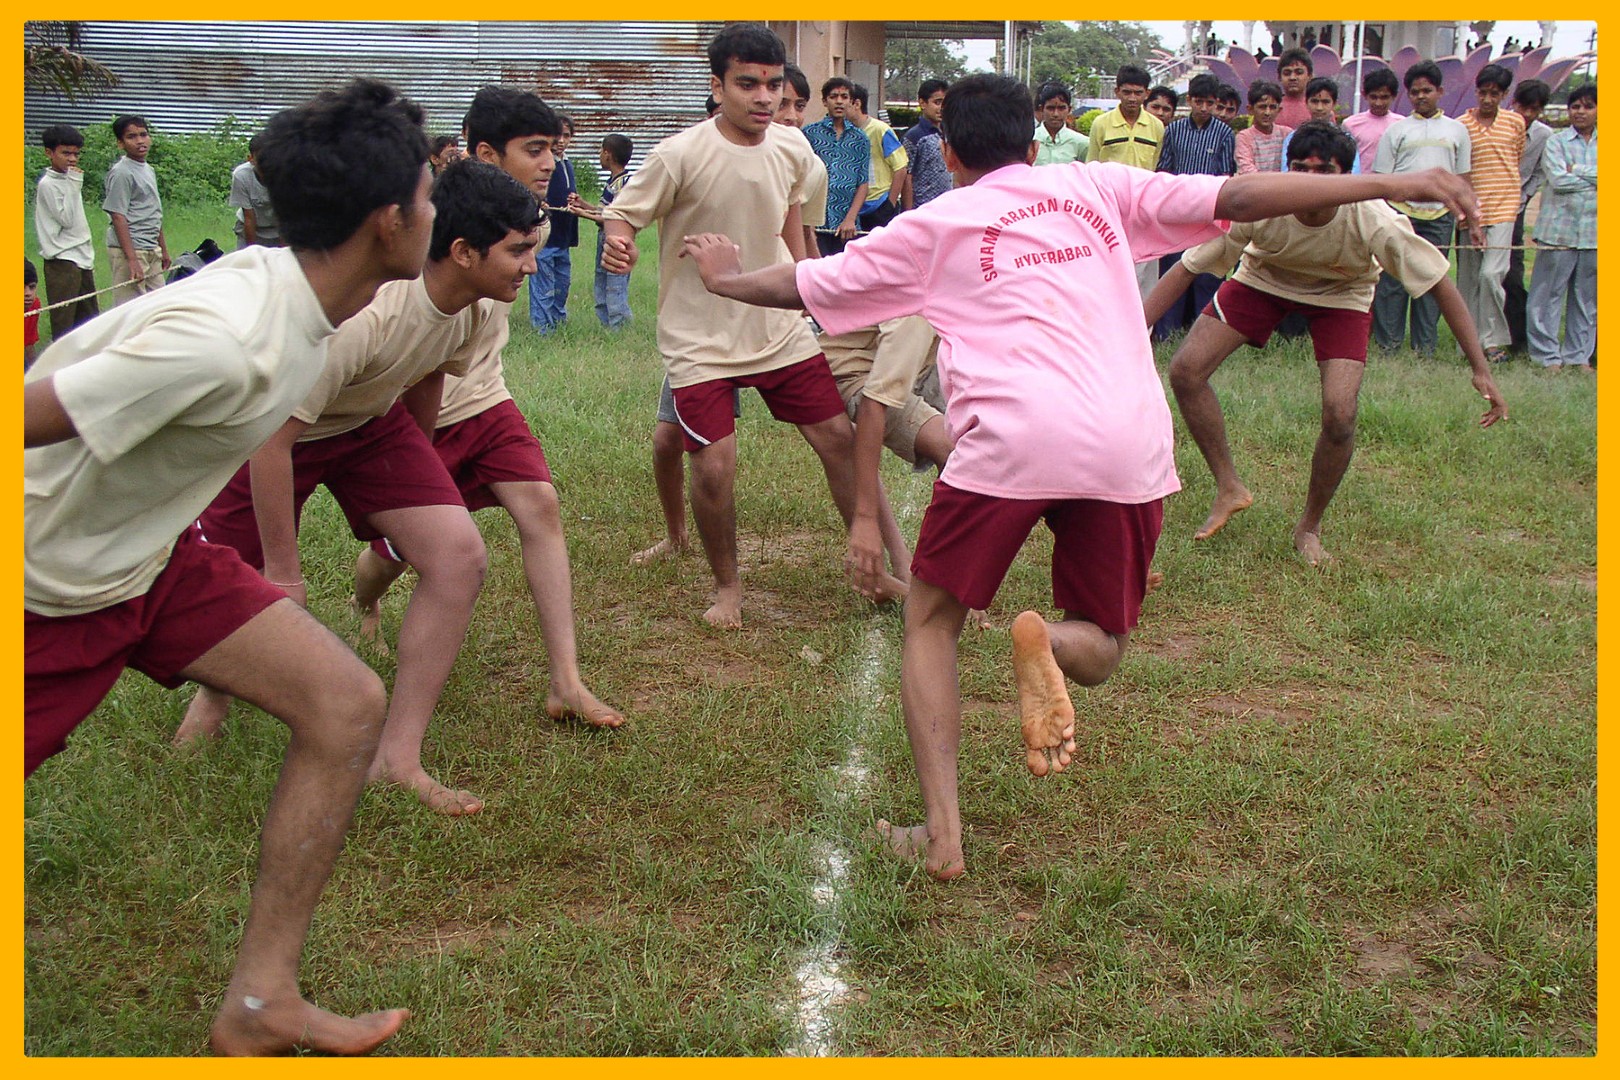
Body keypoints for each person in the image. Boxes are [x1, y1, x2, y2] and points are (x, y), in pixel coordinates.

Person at [678, 74, 1487, 880]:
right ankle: (1051, 640)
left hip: (1009, 443)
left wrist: (722, 277)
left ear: (948, 153)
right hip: (1124, 441)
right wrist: (1394, 183)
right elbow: (1240, 195)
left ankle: (944, 838)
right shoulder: (1098, 185)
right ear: (1034, 146)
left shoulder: (934, 224)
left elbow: (802, 285)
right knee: (1104, 642)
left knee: (930, 623)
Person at [23, 76, 429, 1056]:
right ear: (387, 221)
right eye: (429, 194)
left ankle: (261, 1003)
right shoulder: (228, 340)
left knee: (344, 703)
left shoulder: (300, 303)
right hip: (47, 589)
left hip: (151, 561)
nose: (436, 209)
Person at [179, 161, 509, 818]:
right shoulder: (362, 316)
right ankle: (213, 696)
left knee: (459, 555)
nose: (532, 264)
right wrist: (284, 572)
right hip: (272, 430)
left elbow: (426, 374)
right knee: (231, 583)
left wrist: (419, 478)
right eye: (521, 249)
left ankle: (397, 759)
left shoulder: (475, 305)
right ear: (465, 252)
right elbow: (272, 438)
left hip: (369, 423)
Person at [601, 23, 907, 627]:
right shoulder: (678, 154)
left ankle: (891, 570)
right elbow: (623, 216)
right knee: (714, 465)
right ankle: (728, 589)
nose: (764, 98)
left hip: (778, 332)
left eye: (772, 85)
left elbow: (797, 230)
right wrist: (618, 244)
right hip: (700, 342)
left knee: (839, 441)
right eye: (748, 84)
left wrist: (816, 293)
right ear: (718, 87)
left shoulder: (795, 151)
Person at [353, 85, 624, 741]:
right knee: (399, 551)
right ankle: (364, 602)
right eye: (534, 150)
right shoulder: (430, 229)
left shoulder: (529, 218)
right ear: (484, 153)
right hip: (415, 404)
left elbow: (621, 216)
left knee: (541, 505)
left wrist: (621, 242)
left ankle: (566, 680)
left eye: (553, 149)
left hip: (482, 396)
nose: (549, 163)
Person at [1144, 121, 1507, 567]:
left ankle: (1309, 527)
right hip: (1263, 278)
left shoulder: (1374, 219)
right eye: (1300, 168)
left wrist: (1480, 368)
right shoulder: (1262, 207)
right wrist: (1132, 334)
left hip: (1343, 293)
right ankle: (1229, 487)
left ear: (1345, 176)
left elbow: (1439, 284)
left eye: (1324, 171)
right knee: (1185, 370)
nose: (1310, 181)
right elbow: (1187, 266)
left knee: (1340, 414)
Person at [1372, 61, 1471, 356]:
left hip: (1439, 216)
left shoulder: (1457, 131)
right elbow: (1382, 179)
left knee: (1431, 279)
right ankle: (1388, 345)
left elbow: (1463, 178)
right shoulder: (1397, 131)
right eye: (1415, 92)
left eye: (1427, 91)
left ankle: (1424, 349)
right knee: (1392, 280)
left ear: (1439, 91)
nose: (1421, 97)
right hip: (1401, 213)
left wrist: (1463, 213)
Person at [1154, 73, 1235, 339]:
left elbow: (1225, 175)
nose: (1203, 108)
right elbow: (1164, 170)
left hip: (1209, 214)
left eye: (1209, 103)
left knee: (1207, 275)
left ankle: (1203, 335)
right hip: (1177, 213)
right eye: (1198, 102)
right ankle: (1166, 334)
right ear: (1189, 100)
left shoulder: (1224, 133)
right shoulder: (1174, 130)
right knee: (1174, 271)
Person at [1456, 64, 1526, 363]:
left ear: (1504, 94)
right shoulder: (1461, 125)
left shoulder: (1515, 122)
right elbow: (1460, 169)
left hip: (1505, 205)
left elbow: (1516, 157)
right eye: (1483, 93)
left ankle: (1493, 341)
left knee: (1491, 274)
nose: (1487, 99)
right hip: (1469, 207)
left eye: (1494, 94)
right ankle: (1468, 344)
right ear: (1476, 91)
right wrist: (1468, 210)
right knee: (1469, 279)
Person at [1527, 83, 1597, 370]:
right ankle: (1547, 356)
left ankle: (1578, 356)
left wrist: (1576, 170)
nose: (1580, 112)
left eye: (1588, 106)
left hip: (1595, 234)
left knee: (1587, 300)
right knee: (1547, 296)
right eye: (1575, 106)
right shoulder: (1556, 142)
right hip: (1558, 232)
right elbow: (1558, 180)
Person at [1088, 65, 1164, 297]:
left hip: (1143, 205)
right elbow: (1092, 164)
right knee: (1110, 262)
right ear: (1117, 91)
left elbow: (1155, 164)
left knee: (1145, 268)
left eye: (1138, 93)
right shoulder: (1101, 124)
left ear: (1146, 93)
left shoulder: (1156, 126)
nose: (1132, 98)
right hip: (1110, 205)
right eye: (1127, 92)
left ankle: (1144, 316)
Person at [34, 123, 99, 339]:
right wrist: (74, 184)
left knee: (88, 320)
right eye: (65, 153)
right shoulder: (48, 184)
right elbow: (66, 219)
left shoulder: (69, 179)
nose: (72, 159)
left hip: (82, 255)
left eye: (75, 154)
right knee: (64, 323)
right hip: (62, 258)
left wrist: (72, 183)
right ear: (49, 153)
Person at [1506, 79, 1554, 354]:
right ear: (1513, 103)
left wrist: (1523, 197)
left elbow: (1539, 173)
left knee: (1512, 273)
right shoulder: (1499, 127)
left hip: (1516, 207)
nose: (1527, 114)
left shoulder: (1544, 135)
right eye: (1523, 107)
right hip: (1485, 206)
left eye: (1534, 109)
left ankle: (1518, 338)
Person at [103, 114, 169, 305]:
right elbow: (118, 216)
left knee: (158, 304)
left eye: (143, 134)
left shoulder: (148, 169)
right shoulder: (122, 172)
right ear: (120, 143)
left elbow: (153, 211)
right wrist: (131, 259)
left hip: (150, 247)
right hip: (131, 249)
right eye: (131, 137)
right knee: (130, 307)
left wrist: (163, 249)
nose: (140, 141)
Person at [569, 132, 634, 328]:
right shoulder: (612, 181)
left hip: (616, 240)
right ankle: (606, 325)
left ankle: (619, 326)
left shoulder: (624, 184)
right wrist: (583, 204)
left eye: (600, 151)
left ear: (608, 154)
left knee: (614, 285)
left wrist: (581, 214)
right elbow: (604, 211)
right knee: (601, 282)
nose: (599, 155)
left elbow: (613, 218)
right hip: (604, 238)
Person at [803, 76, 871, 255]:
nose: (839, 101)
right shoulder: (809, 134)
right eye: (834, 97)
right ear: (825, 101)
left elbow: (863, 183)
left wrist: (850, 219)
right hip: (816, 222)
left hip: (846, 226)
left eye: (844, 97)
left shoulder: (860, 139)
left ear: (852, 102)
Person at [529, 113, 578, 333]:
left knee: (562, 283)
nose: (561, 141)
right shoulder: (540, 164)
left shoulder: (566, 164)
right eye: (557, 135)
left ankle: (558, 322)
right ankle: (542, 328)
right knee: (544, 285)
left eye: (566, 135)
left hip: (563, 236)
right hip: (546, 235)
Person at [847, 83, 909, 232]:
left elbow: (900, 167)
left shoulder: (880, 130)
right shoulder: (845, 132)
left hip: (878, 204)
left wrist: (890, 204)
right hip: (853, 207)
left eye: (845, 99)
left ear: (857, 104)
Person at [1280, 77, 1362, 172]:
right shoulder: (1293, 137)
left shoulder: (1345, 139)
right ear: (1306, 102)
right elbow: (1287, 170)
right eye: (1314, 101)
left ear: (1334, 104)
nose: (1319, 108)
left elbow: (1354, 171)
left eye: (1325, 102)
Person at [1341, 68, 1403, 175]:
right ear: (1364, 95)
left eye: (1384, 97)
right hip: (1360, 183)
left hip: (1391, 183)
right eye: (1374, 97)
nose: (1378, 103)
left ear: (1394, 96)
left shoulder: (1401, 125)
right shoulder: (1350, 124)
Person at [228, 134, 282, 249]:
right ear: (251, 159)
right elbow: (249, 218)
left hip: (279, 229)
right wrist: (252, 252)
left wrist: (283, 253)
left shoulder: (285, 174)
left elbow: (284, 217)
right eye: (261, 159)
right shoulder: (241, 175)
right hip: (251, 229)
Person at [1235, 79, 1289, 174]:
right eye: (1262, 107)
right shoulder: (1244, 137)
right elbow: (1246, 169)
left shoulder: (1286, 134)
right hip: (1254, 183)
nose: (1267, 113)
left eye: (1272, 107)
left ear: (1279, 110)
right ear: (1250, 109)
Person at [1033, 82, 1089, 165]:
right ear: (1042, 109)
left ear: (1069, 109)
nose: (1056, 114)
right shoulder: (1030, 140)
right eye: (1050, 108)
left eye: (1061, 108)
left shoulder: (1082, 143)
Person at [1276, 47, 1314, 129]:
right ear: (1279, 77)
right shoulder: (1271, 108)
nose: (1292, 77)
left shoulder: (1319, 108)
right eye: (1287, 73)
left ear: (1310, 76)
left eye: (1299, 72)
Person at [24, 258, 41, 368]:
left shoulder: (34, 305)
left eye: (32, 287)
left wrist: (36, 372)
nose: (27, 293)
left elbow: (28, 343)